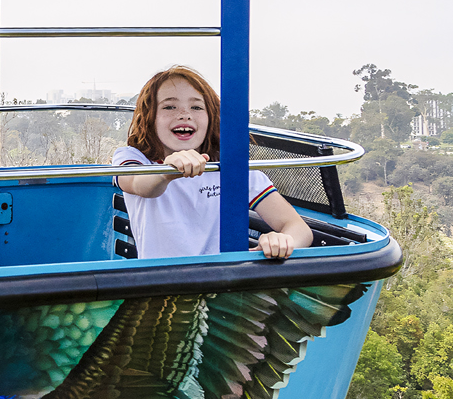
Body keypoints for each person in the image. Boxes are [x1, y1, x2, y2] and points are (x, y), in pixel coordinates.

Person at [113, 66, 313, 260]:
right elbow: (139, 184)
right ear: (150, 118)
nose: (184, 114)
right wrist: (167, 172)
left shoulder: (232, 171)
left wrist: (282, 240)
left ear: (211, 117)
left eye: (196, 107)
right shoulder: (134, 158)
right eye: (169, 107)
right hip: (164, 279)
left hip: (222, 278)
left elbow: (299, 229)